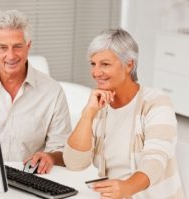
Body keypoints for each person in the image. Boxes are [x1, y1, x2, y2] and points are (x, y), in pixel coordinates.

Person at [63, 28, 184, 198]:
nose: (96, 72)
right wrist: (88, 114)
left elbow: (155, 162)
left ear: (129, 64)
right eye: (93, 63)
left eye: (105, 64)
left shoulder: (156, 103)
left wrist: (127, 187)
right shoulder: (99, 105)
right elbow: (74, 163)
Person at [0, 10, 71, 174]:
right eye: (3, 47)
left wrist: (51, 157)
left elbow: (61, 150)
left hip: (30, 178)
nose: (10, 56)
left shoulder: (52, 92)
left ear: (28, 46)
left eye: (17, 46)